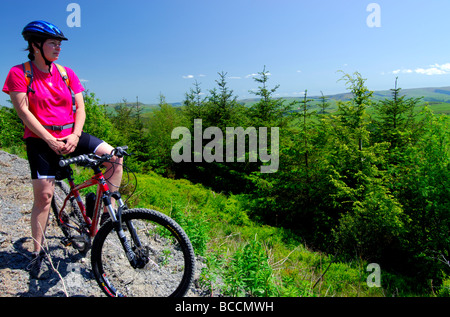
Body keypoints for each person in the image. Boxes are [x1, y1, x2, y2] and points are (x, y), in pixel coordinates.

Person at [2, 21, 123, 278]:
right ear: (35, 45)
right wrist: (48, 139)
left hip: (71, 133)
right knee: (44, 197)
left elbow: (81, 107)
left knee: (114, 158)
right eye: (52, 43)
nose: (58, 48)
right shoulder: (18, 73)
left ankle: (103, 214)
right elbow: (23, 112)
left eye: (59, 44)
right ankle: (37, 252)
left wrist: (75, 135)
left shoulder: (67, 73)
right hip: (40, 139)